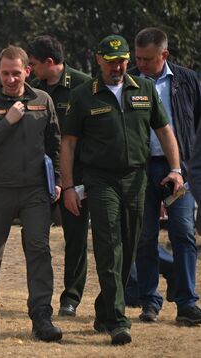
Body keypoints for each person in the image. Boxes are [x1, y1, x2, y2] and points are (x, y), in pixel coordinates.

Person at [61, 34, 183, 345]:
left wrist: (175, 169)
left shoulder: (143, 89)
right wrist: (68, 186)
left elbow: (164, 129)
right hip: (100, 181)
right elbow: (69, 144)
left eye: (123, 61)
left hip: (136, 179)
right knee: (108, 245)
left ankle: (103, 309)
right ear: (98, 59)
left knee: (131, 245)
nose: (119, 67)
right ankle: (118, 319)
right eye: (112, 61)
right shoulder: (83, 95)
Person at [0, 45, 62, 342]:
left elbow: (55, 144)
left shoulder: (43, 100)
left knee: (39, 250)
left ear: (27, 71)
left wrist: (58, 181)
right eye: (5, 73)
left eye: (16, 72)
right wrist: (8, 120)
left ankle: (41, 317)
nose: (10, 79)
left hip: (35, 190)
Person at [129, 27, 201, 325]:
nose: (141, 64)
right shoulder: (129, 82)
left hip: (178, 171)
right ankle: (149, 301)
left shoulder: (188, 81)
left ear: (165, 55)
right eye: (138, 58)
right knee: (144, 237)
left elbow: (195, 122)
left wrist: (185, 165)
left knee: (183, 233)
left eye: (147, 59)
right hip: (141, 169)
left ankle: (187, 304)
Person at [26, 35, 91, 317]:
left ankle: (71, 298)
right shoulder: (33, 90)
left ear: (50, 63)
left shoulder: (84, 86)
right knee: (35, 236)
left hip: (76, 174)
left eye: (33, 65)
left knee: (75, 237)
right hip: (41, 175)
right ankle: (40, 296)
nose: (29, 70)